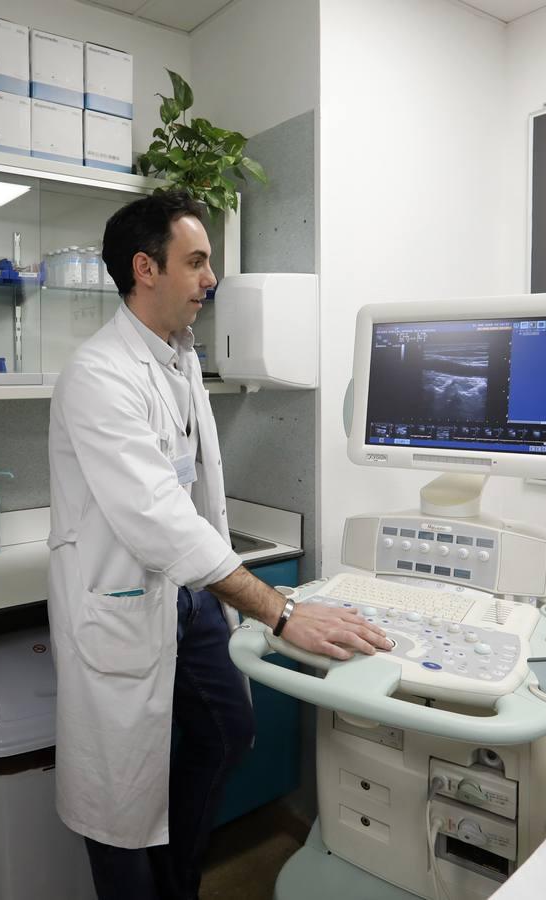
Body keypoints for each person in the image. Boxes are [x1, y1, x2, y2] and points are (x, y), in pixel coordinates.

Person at [47, 189, 391, 900]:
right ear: (146, 268)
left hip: (187, 595)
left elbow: (192, 497)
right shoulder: (98, 375)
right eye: (196, 261)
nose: (211, 279)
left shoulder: (178, 357)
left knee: (228, 731)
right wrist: (281, 611)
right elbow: (153, 515)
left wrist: (230, 585)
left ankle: (177, 880)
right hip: (125, 597)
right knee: (119, 798)